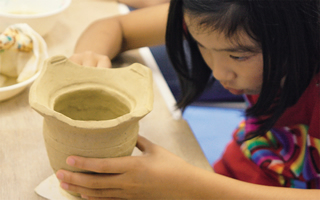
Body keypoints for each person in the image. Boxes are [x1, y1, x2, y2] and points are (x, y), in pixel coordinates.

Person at [56, 0, 320, 199]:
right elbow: (113, 26)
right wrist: (89, 61)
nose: (218, 73)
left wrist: (191, 186)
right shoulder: (218, 12)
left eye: (238, 56)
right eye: (200, 44)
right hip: (248, 162)